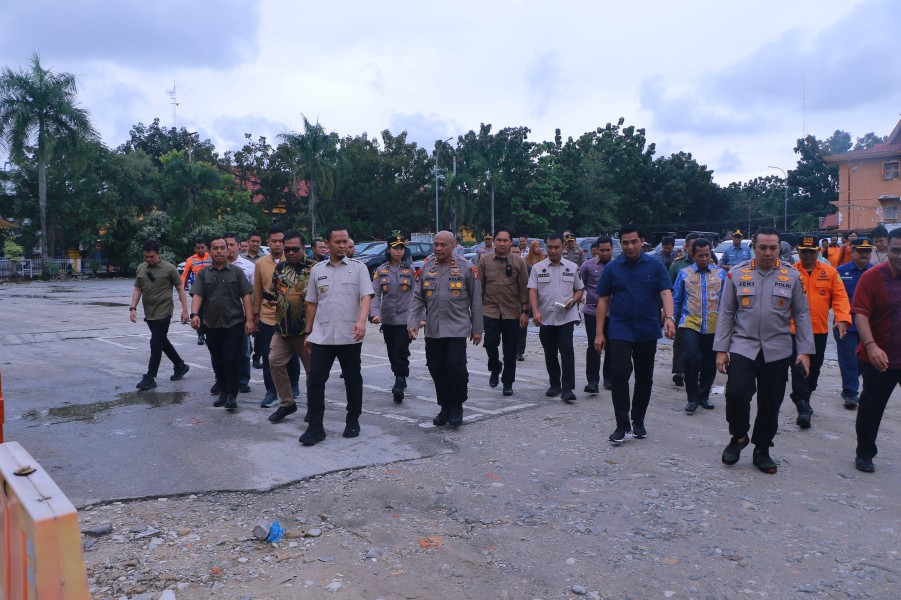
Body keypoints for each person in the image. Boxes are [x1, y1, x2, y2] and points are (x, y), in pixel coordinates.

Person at [713, 227, 814, 474]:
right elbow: (726, 313)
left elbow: (801, 314)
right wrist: (721, 349)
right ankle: (738, 437)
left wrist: (804, 351)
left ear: (780, 249)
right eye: (762, 248)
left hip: (778, 349)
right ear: (753, 248)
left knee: (770, 402)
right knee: (736, 393)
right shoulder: (736, 274)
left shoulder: (791, 276)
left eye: (773, 248)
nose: (767, 253)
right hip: (743, 346)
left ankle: (762, 448)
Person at [595, 225, 675, 444]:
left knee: (644, 377)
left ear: (642, 242)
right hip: (620, 328)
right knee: (619, 373)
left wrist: (669, 318)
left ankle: (638, 420)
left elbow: (666, 292)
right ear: (619, 244)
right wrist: (599, 333)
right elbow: (602, 301)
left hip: (646, 329)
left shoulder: (655, 266)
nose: (630, 246)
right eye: (625, 242)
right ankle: (622, 425)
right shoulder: (613, 268)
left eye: (634, 241)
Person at [299, 226, 373, 446]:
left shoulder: (359, 269)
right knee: (315, 380)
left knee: (352, 378)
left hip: (349, 334)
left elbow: (366, 297)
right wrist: (308, 332)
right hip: (322, 336)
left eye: (345, 242)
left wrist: (361, 322)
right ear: (328, 244)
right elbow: (311, 302)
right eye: (338, 242)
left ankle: (353, 419)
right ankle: (315, 427)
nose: (342, 246)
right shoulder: (318, 270)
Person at [408, 231, 483, 427]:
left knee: (455, 368)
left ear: (453, 246)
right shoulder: (426, 267)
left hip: (457, 327)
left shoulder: (467, 268)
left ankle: (456, 405)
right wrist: (413, 322)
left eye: (443, 245)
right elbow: (417, 297)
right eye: (436, 245)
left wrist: (477, 329)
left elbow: (476, 300)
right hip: (433, 328)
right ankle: (445, 407)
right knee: (436, 368)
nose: (439, 249)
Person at [851, 227, 901, 473]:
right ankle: (865, 453)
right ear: (886, 249)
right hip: (880, 355)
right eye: (896, 251)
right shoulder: (872, 277)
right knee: (872, 406)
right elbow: (860, 313)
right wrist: (871, 346)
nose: (900, 256)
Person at [789, 236, 851, 429]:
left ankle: (805, 397)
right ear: (798, 252)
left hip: (819, 330)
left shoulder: (830, 272)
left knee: (814, 370)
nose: (807, 255)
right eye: (804, 252)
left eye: (811, 252)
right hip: (793, 330)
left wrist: (841, 319)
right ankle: (802, 405)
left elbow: (840, 297)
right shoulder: (789, 273)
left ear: (818, 252)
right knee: (799, 368)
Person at [190, 236, 254, 411]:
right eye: (215, 248)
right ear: (210, 251)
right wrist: (194, 314)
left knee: (231, 359)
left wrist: (249, 320)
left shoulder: (236, 272)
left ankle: (232, 395)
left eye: (222, 248)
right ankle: (224, 393)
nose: (219, 251)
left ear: (228, 250)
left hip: (234, 323)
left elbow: (246, 297)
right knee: (218, 360)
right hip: (211, 324)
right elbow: (198, 295)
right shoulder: (203, 273)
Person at [266, 231, 317, 423]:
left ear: (303, 249)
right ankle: (287, 403)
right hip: (283, 328)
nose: (291, 252)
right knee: (275, 361)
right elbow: (273, 293)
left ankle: (314, 407)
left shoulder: (315, 268)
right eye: (287, 249)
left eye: (295, 249)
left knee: (312, 371)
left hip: (307, 330)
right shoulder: (279, 268)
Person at [528, 233, 585, 403]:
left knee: (566, 350)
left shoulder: (572, 267)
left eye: (557, 247)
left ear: (562, 247)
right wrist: (535, 312)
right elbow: (532, 291)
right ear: (546, 247)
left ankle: (568, 388)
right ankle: (555, 384)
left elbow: (579, 289)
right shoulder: (538, 268)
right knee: (550, 352)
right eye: (550, 247)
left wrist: (573, 301)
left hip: (566, 316)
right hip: (545, 317)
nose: (553, 251)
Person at [672, 238, 726, 413]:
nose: (704, 258)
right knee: (691, 358)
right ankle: (692, 397)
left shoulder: (720, 274)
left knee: (710, 362)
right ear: (692, 255)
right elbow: (677, 299)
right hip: (690, 323)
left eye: (707, 255)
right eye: (700, 255)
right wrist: (671, 319)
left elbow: (726, 301)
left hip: (713, 324)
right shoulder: (684, 273)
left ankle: (704, 395)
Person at [253, 227, 302, 409]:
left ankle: (293, 385)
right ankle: (271, 391)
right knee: (269, 357)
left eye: (281, 241)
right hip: (268, 317)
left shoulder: (294, 260)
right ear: (268, 242)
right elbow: (257, 291)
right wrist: (254, 315)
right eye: (274, 241)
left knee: (293, 357)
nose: (278, 244)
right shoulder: (260, 263)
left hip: (291, 318)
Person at [131, 240, 190, 391]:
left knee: (155, 343)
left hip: (164, 312)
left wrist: (185, 310)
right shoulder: (141, 268)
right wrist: (133, 308)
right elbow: (138, 289)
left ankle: (150, 377)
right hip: (149, 313)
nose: (148, 259)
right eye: (146, 257)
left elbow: (180, 289)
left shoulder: (169, 268)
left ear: (158, 254)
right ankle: (180, 365)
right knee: (161, 340)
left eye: (151, 256)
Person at [479, 226, 529, 396]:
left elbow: (524, 289)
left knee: (510, 350)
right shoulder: (484, 260)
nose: (501, 243)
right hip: (490, 310)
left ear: (510, 242)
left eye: (505, 240)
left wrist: (524, 312)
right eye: (498, 240)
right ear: (494, 241)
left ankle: (508, 382)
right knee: (490, 343)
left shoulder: (518, 262)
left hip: (512, 312)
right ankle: (495, 366)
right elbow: (479, 288)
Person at [370, 234, 415, 403]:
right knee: (391, 351)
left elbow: (417, 295)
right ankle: (399, 373)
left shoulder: (410, 270)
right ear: (388, 250)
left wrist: (418, 318)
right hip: (387, 319)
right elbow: (375, 294)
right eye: (395, 248)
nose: (398, 251)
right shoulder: (381, 270)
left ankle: (400, 380)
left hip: (405, 318)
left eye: (401, 248)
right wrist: (375, 314)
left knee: (400, 350)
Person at [835, 237, 875, 409]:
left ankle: (851, 385)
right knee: (849, 359)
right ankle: (851, 393)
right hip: (847, 324)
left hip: (869, 325)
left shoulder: (876, 273)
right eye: (860, 251)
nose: (864, 254)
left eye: (867, 251)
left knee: (862, 361)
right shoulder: (839, 272)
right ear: (852, 251)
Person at [579, 236, 614, 393]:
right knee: (594, 345)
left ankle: (609, 378)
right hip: (592, 311)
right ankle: (592, 381)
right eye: (602, 250)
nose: (605, 253)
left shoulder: (618, 265)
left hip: (614, 313)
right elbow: (581, 283)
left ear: (612, 250)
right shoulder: (588, 265)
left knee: (612, 346)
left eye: (608, 250)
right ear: (597, 250)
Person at [668, 233, 702, 387]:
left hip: (702, 312)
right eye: (692, 245)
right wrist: (668, 313)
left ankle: (696, 371)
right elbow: (668, 288)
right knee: (680, 341)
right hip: (682, 311)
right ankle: (679, 371)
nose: (695, 249)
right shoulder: (678, 265)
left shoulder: (709, 263)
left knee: (699, 343)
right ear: (686, 247)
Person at [224, 232, 256, 394]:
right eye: (226, 245)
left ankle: (243, 380)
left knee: (244, 350)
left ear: (238, 246)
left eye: (232, 245)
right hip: (221, 316)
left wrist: (253, 317)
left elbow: (254, 293)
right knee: (222, 351)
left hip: (242, 314)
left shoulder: (249, 266)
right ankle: (222, 380)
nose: (229, 248)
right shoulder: (214, 266)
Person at [517, 240, 547, 361]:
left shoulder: (540, 261)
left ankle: (519, 351)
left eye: (540, 246)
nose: (538, 248)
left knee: (522, 326)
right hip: (510, 300)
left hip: (529, 297)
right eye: (537, 246)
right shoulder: (526, 260)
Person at [182, 239, 211, 345]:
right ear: (195, 249)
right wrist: (181, 288)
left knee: (211, 311)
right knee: (198, 312)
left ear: (206, 247)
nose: (200, 250)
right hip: (197, 290)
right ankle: (200, 335)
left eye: (202, 247)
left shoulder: (211, 257)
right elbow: (185, 274)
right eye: (198, 248)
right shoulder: (191, 260)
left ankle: (210, 332)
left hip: (211, 289)